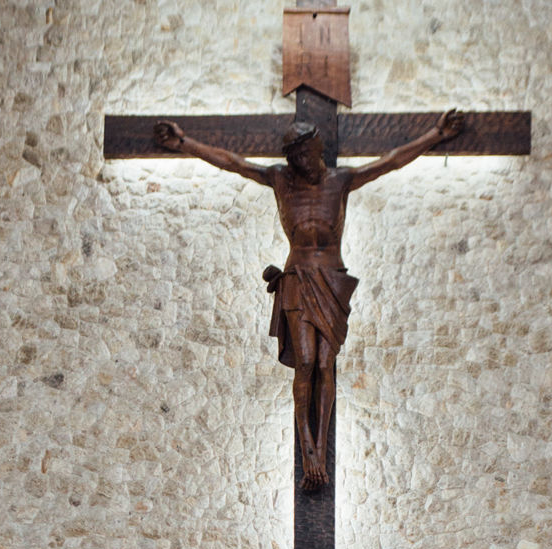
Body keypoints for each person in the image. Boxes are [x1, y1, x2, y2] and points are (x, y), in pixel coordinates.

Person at [153, 111, 464, 492]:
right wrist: (183, 143)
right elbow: (233, 162)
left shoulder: (342, 180)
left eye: (304, 153)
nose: (298, 162)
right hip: (298, 278)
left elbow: (391, 161)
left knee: (324, 362)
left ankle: (319, 445)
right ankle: (310, 455)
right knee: (304, 361)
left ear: (318, 147)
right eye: (292, 156)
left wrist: (435, 134)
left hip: (332, 281)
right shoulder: (280, 180)